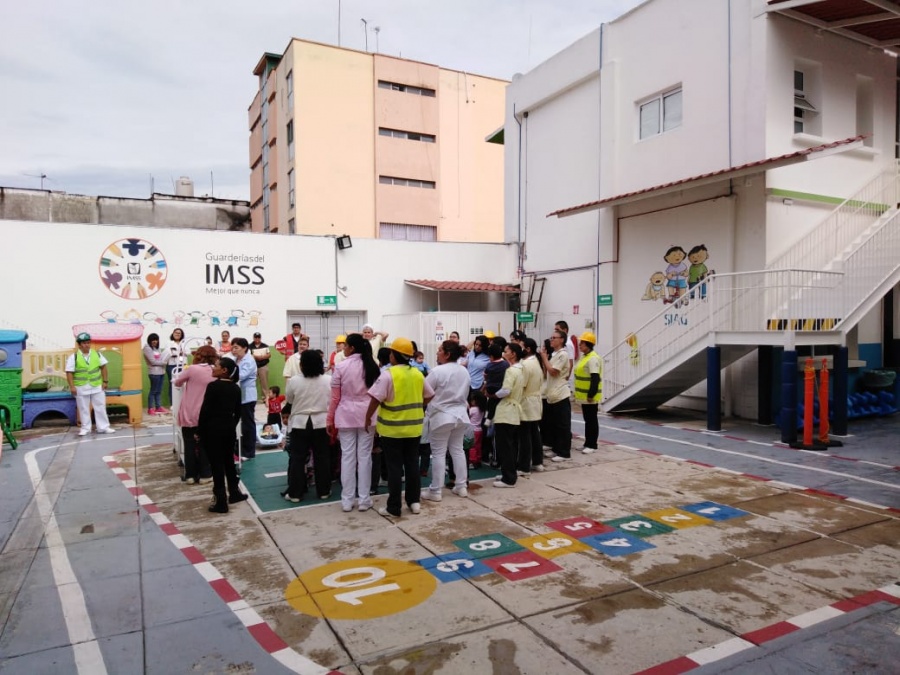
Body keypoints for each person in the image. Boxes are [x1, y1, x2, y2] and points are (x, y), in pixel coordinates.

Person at [366, 337, 434, 518]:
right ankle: (414, 502)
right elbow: (429, 395)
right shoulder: (418, 374)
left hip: (392, 430)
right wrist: (419, 406)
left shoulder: (388, 374)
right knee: (412, 464)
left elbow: (375, 399)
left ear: (394, 355)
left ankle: (394, 507)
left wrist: (367, 418)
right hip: (413, 428)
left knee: (394, 468)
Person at [327, 333, 382, 512]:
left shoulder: (340, 367)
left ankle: (347, 500)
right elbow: (378, 394)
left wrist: (330, 418)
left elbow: (335, 398)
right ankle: (364, 500)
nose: (343, 348)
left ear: (351, 348)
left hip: (345, 415)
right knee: (365, 457)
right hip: (368, 415)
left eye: (345, 346)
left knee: (348, 456)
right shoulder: (373, 366)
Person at [421, 340, 471, 503]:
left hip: (442, 416)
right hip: (460, 415)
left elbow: (425, 393)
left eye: (440, 350)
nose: (437, 352)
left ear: (447, 354)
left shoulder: (437, 371)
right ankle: (461, 486)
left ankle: (436, 490)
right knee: (457, 450)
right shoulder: (464, 371)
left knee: (438, 453)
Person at [197, 358, 247, 513]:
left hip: (212, 430)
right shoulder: (236, 388)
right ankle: (234, 492)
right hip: (228, 430)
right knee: (228, 462)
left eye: (216, 366)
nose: (213, 367)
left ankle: (220, 500)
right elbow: (238, 412)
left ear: (224, 370)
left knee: (216, 465)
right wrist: (230, 425)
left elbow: (205, 411)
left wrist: (199, 431)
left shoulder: (213, 387)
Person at [284, 350, 332, 502]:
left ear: (302, 364)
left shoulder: (294, 381)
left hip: (299, 423)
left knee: (297, 459)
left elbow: (289, 400)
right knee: (322, 458)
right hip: (321, 423)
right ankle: (324, 491)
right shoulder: (328, 380)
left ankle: (295, 494)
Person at [174, 345, 217, 485]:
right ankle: (205, 474)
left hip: (190, 411)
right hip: (207, 413)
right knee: (206, 444)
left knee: (189, 443)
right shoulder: (215, 371)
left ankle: (190, 475)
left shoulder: (191, 369)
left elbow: (177, 382)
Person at [66, 332, 116, 437]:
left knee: (100, 406)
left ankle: (103, 427)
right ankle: (85, 428)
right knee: (83, 407)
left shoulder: (97, 354)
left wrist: (105, 381)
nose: (87, 345)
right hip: (81, 386)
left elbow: (103, 367)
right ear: (79, 345)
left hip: (97, 385)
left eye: (88, 342)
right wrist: (72, 386)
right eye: (84, 343)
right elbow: (69, 372)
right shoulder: (73, 357)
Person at [492, 343, 525, 488]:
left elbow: (506, 390)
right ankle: (508, 472)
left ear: (513, 354)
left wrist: (494, 395)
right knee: (511, 445)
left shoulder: (511, 371)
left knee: (505, 445)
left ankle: (509, 478)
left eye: (506, 351)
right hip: (515, 409)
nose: (504, 353)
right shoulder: (521, 370)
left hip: (507, 410)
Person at [541, 330, 572, 462]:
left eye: (554, 338)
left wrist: (543, 358)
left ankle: (564, 452)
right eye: (551, 337)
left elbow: (553, 371)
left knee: (562, 425)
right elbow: (545, 373)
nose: (551, 340)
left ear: (562, 340)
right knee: (554, 425)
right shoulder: (553, 355)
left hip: (560, 395)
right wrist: (545, 359)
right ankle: (556, 449)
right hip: (551, 395)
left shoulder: (563, 355)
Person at [518, 337, 544, 474]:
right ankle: (537, 461)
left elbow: (521, 385)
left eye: (521, 346)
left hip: (526, 401)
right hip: (535, 401)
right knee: (535, 433)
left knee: (525, 435)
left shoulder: (526, 365)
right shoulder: (536, 361)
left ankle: (524, 466)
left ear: (527, 349)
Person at [574, 331, 602, 454]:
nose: (580, 345)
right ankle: (587, 443)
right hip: (584, 396)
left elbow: (595, 378)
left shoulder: (593, 358)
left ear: (588, 344)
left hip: (590, 396)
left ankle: (592, 444)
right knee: (588, 420)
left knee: (591, 420)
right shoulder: (585, 357)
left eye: (582, 343)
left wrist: (591, 394)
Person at [230, 337, 258, 459]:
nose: (234, 350)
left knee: (247, 424)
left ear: (245, 348)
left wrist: (227, 374)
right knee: (238, 424)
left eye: (236, 347)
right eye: (233, 347)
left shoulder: (249, 360)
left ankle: (249, 451)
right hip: (238, 395)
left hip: (247, 396)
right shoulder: (236, 360)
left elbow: (241, 375)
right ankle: (239, 449)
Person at [143, 332, 168, 415]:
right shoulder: (147, 348)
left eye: (156, 340)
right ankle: (150, 408)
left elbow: (160, 359)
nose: (155, 341)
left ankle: (158, 407)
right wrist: (163, 363)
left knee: (158, 391)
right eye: (153, 340)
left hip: (161, 372)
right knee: (153, 391)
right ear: (149, 340)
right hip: (154, 373)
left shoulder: (157, 349)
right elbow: (153, 362)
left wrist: (164, 360)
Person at [166, 327, 188, 406]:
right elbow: (169, 352)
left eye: (179, 333)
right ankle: (173, 403)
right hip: (172, 365)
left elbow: (187, 352)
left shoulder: (184, 342)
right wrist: (178, 353)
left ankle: (182, 402)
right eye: (176, 333)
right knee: (173, 384)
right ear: (173, 333)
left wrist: (181, 352)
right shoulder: (169, 342)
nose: (177, 334)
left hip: (183, 365)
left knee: (183, 384)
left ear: (181, 335)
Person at [467, 390, 487, 469]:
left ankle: (472, 461)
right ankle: (478, 460)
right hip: (479, 430)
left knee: (471, 447)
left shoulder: (472, 409)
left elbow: (467, 416)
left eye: (472, 400)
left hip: (472, 430)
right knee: (478, 446)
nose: (471, 401)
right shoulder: (482, 410)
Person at [251, 332, 271, 401]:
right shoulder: (250, 346)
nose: (257, 339)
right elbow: (248, 355)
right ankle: (252, 398)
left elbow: (269, 355)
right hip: (253, 367)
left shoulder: (265, 345)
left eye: (258, 337)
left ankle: (265, 398)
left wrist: (261, 357)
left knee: (264, 382)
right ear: (253, 338)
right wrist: (255, 357)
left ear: (260, 338)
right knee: (252, 382)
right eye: (255, 337)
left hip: (263, 366)